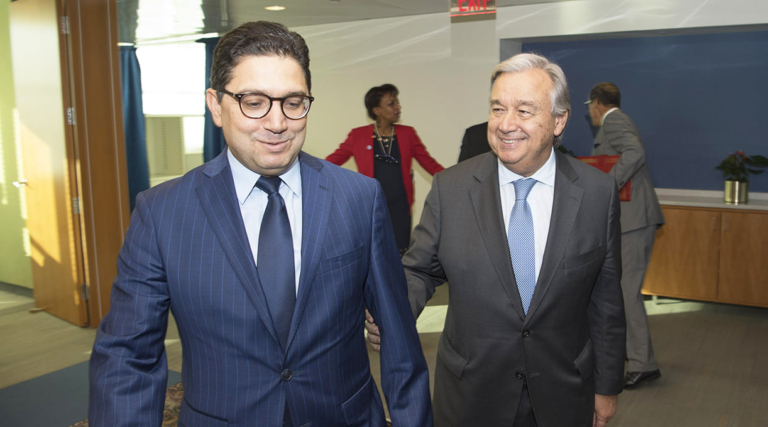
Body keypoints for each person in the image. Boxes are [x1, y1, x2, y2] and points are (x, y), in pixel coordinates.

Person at [89, 21, 432, 427]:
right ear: (216, 105)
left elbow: (398, 340)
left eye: (293, 102)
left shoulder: (359, 198)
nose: (277, 122)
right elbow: (128, 359)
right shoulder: (162, 213)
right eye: (253, 102)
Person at [368, 53, 626, 426]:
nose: (506, 124)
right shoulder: (451, 189)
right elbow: (419, 270)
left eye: (524, 110)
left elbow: (607, 300)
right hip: (472, 393)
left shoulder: (597, 193)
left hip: (564, 392)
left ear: (559, 120)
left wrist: (606, 386)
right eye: (497, 108)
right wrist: (392, 312)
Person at [587, 82, 665, 389]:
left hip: (634, 221)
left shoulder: (614, 120)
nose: (590, 113)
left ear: (597, 103)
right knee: (621, 291)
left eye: (590, 107)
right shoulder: (616, 121)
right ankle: (631, 354)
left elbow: (635, 153)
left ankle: (643, 363)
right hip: (629, 221)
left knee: (627, 291)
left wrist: (607, 184)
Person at [326, 84, 444, 255]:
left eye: (397, 102)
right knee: (373, 249)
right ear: (377, 110)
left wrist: (455, 178)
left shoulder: (408, 134)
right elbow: (333, 161)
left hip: (400, 203)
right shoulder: (358, 135)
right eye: (391, 103)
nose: (398, 107)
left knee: (400, 250)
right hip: (371, 203)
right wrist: (308, 170)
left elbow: (429, 163)